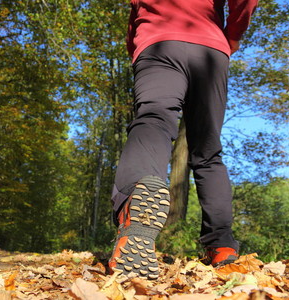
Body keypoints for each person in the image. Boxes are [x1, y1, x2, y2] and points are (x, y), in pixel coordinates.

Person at [108, 0, 259, 279]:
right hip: (211, 50)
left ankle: (134, 216)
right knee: (208, 151)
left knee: (152, 120)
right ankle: (221, 246)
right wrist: (232, 37)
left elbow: (134, 21)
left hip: (159, 45)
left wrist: (137, 50)